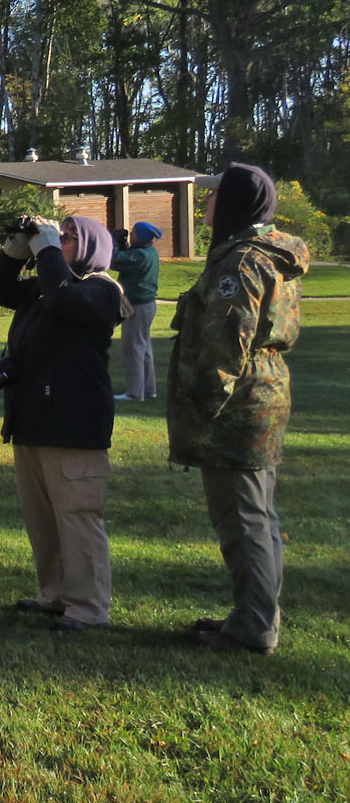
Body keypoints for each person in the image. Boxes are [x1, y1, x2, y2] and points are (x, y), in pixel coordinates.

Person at [168, 164, 308, 654]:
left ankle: (253, 628)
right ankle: (253, 615)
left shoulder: (242, 262)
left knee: (243, 522)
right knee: (259, 517)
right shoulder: (267, 253)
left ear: (233, 203)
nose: (204, 204)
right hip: (262, 397)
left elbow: (227, 344)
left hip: (238, 406)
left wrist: (203, 409)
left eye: (212, 197)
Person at [0, 214, 125, 632]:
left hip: (73, 425)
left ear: (89, 247)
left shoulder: (103, 290)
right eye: (55, 236)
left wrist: (45, 249)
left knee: (77, 516)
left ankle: (88, 607)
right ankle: (55, 594)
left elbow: (66, 299)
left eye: (66, 238)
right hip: (32, 421)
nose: (55, 242)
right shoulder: (46, 287)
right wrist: (14, 248)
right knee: (42, 517)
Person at [111, 221, 163, 401]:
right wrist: (124, 245)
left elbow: (115, 261)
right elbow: (128, 256)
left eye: (133, 233)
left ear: (141, 236)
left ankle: (134, 393)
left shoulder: (140, 255)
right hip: (145, 305)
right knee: (144, 347)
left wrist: (115, 244)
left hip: (137, 306)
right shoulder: (149, 252)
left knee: (133, 348)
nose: (131, 234)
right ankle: (149, 390)